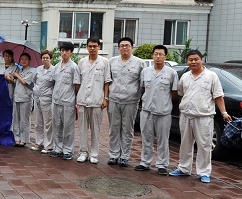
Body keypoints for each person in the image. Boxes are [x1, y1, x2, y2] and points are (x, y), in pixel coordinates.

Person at [169, 50, 232, 183]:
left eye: (196, 59)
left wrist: (224, 112)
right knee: (185, 144)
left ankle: (204, 172)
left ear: (201, 60)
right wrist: (183, 108)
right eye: (190, 60)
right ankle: (183, 168)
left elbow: (218, 96)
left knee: (204, 145)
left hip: (204, 117)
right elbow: (181, 94)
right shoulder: (185, 76)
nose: (193, 62)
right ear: (187, 61)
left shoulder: (211, 76)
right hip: (186, 115)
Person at [135, 45, 179, 175]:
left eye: (161, 54)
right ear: (152, 55)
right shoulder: (146, 72)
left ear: (166, 56)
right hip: (147, 110)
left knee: (163, 139)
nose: (158, 57)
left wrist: (163, 101)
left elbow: (173, 92)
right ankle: (145, 162)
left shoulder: (171, 73)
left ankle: (162, 164)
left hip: (163, 111)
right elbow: (143, 88)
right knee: (146, 138)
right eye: (156, 54)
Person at [107, 37, 144, 166]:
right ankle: (113, 155)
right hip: (114, 99)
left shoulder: (139, 63)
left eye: (127, 45)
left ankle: (125, 156)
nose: (124, 48)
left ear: (132, 47)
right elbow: (108, 81)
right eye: (122, 45)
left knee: (127, 129)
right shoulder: (112, 61)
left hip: (131, 101)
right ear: (118, 48)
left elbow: (142, 83)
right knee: (114, 128)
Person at [76, 38, 111, 164]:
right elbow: (78, 82)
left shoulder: (104, 62)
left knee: (95, 129)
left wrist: (105, 99)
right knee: (82, 128)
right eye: (90, 46)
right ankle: (83, 152)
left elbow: (107, 81)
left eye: (94, 46)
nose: (92, 48)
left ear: (99, 47)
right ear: (86, 47)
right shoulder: (82, 62)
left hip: (97, 100)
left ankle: (94, 154)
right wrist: (76, 98)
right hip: (82, 100)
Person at [49, 42, 80, 160]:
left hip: (68, 102)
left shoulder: (74, 67)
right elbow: (54, 82)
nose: (64, 53)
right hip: (56, 101)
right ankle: (57, 148)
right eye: (62, 50)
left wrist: (74, 99)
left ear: (71, 52)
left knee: (68, 127)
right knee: (57, 126)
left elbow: (77, 85)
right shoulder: (57, 66)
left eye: (67, 51)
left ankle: (67, 150)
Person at [31, 50, 54, 153]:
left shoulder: (54, 70)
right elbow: (33, 80)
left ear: (51, 59)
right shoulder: (38, 69)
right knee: (38, 122)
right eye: (43, 58)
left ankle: (48, 145)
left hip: (47, 99)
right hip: (37, 99)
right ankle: (39, 142)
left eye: (47, 58)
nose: (45, 59)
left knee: (48, 123)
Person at [12, 53, 35, 147]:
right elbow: (16, 82)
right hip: (17, 97)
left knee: (24, 120)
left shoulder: (31, 71)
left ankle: (24, 139)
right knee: (16, 119)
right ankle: (17, 138)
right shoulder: (19, 70)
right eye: (22, 59)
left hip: (26, 98)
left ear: (29, 60)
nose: (24, 61)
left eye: (26, 59)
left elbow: (25, 82)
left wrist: (17, 75)